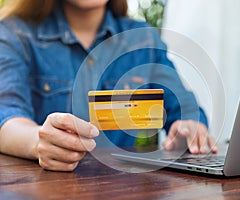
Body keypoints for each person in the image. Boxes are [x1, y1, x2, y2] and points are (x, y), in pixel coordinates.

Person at [0, 0, 217, 172]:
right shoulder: (15, 34)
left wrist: (190, 128)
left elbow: (185, 109)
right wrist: (38, 141)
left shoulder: (142, 39)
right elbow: (6, 117)